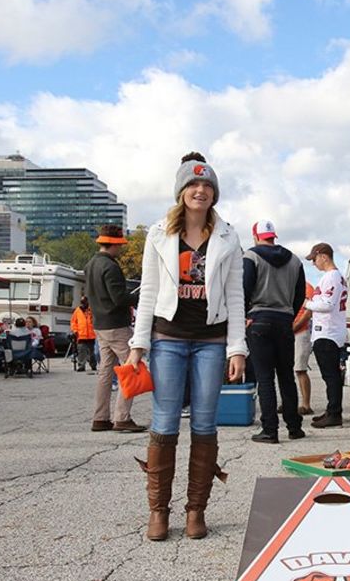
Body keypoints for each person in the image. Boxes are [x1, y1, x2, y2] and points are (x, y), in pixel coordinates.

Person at [126, 151, 247, 542]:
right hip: (168, 339)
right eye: (193, 185)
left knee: (206, 423)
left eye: (207, 185)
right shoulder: (160, 234)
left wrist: (237, 348)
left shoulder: (228, 236)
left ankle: (196, 511)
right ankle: (158, 512)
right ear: (181, 191)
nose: (200, 190)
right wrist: (137, 345)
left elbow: (236, 295)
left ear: (215, 193)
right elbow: (148, 292)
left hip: (211, 341)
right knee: (163, 422)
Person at [242, 219, 307, 443]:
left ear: (255, 237)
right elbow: (300, 296)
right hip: (284, 320)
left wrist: (245, 316)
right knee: (286, 376)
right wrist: (288, 313)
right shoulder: (295, 260)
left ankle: (270, 429)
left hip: (259, 319)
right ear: (274, 237)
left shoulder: (251, 257)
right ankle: (294, 427)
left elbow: (244, 289)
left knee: (265, 378)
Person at [85, 224, 145, 433]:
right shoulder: (110, 266)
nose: (120, 249)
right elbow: (119, 298)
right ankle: (122, 417)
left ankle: (100, 418)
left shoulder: (91, 264)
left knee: (105, 371)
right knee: (131, 368)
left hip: (100, 324)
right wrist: (141, 295)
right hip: (117, 325)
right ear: (114, 244)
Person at [304, 242, 348, 428]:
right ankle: (331, 410)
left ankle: (335, 414)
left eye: (314, 259)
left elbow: (327, 305)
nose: (314, 263)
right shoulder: (335, 277)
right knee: (331, 376)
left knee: (331, 376)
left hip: (327, 333)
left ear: (324, 256)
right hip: (330, 331)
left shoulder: (331, 277)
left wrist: (307, 304)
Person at [292, 281, 316, 417]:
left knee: (300, 369)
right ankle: (288, 402)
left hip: (300, 332)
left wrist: (295, 327)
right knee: (285, 371)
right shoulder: (286, 284)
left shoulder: (306, 287)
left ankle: (306, 404)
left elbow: (308, 312)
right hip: (286, 332)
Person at [70, 296, 97, 372]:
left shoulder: (92, 310)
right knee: (81, 351)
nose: (83, 304)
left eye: (84, 302)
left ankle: (93, 365)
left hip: (91, 335)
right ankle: (81, 366)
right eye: (82, 302)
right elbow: (73, 322)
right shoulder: (77, 311)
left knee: (92, 353)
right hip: (81, 335)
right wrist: (75, 331)